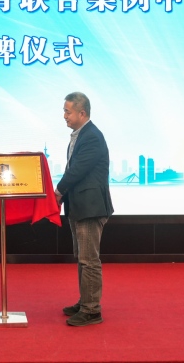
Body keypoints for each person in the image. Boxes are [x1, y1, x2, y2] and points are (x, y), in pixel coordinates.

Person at [54, 91, 114, 327]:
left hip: (90, 208)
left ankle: (91, 311)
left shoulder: (91, 137)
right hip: (80, 207)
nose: (64, 116)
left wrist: (58, 192)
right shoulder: (81, 135)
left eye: (67, 111)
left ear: (82, 113)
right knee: (82, 258)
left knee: (89, 260)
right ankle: (85, 302)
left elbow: (77, 170)